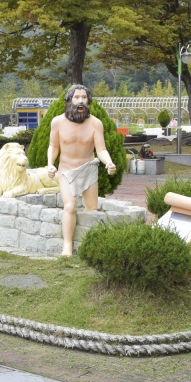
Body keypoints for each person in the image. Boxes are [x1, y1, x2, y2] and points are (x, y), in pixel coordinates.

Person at [46, 84, 117, 256]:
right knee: (70, 206)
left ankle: (89, 245)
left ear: (88, 101)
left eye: (84, 97)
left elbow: (101, 149)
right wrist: (50, 163)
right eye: (76, 97)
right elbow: (53, 146)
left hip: (88, 170)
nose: (80, 101)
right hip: (67, 171)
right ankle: (67, 246)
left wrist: (109, 162)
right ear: (69, 100)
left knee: (92, 209)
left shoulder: (95, 123)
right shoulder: (58, 122)